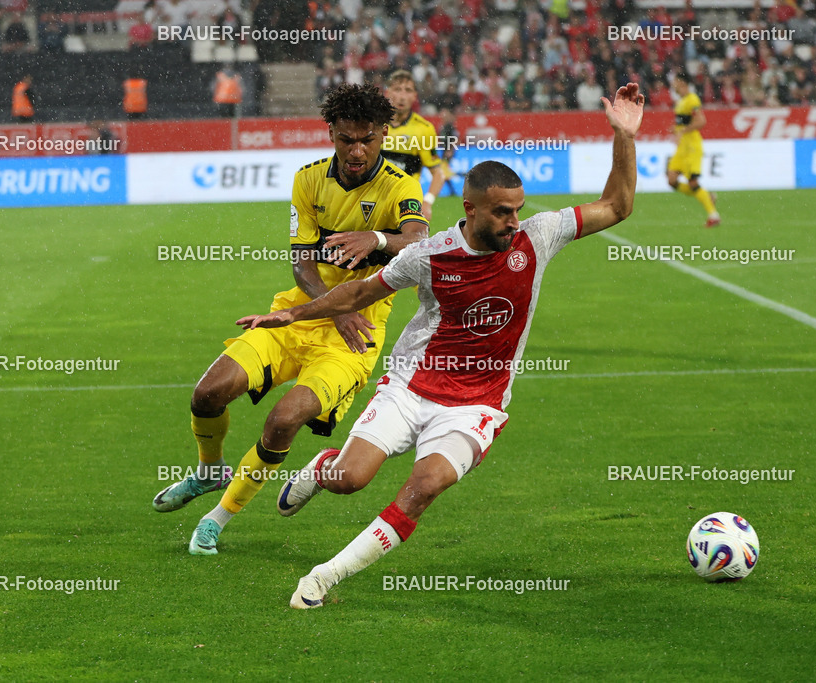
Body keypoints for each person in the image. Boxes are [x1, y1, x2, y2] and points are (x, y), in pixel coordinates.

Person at [238, 83, 646, 609]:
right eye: (502, 213)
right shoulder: (429, 256)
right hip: (411, 386)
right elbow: (359, 292)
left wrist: (624, 135)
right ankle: (322, 469)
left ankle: (323, 577)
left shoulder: (538, 237)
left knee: (425, 484)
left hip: (477, 403)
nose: (513, 223)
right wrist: (291, 314)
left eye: (518, 210)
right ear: (470, 208)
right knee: (350, 480)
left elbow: (617, 206)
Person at [152, 83, 431, 557]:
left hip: (354, 338)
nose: (357, 150)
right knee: (207, 394)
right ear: (331, 135)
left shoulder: (400, 186)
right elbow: (301, 263)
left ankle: (219, 517)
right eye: (346, 139)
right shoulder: (308, 180)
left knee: (284, 419)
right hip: (295, 314)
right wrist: (331, 305)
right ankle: (209, 470)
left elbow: (420, 243)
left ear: (384, 134)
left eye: (367, 138)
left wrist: (377, 240)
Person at [381, 70, 446, 221]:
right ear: (387, 92)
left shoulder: (424, 129)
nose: (402, 96)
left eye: (408, 90)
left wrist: (427, 202)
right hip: (373, 197)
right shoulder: (374, 123)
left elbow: (438, 173)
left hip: (405, 201)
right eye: (397, 89)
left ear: (415, 96)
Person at [666, 73, 719, 228]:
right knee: (672, 180)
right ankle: (707, 197)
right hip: (683, 147)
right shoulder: (680, 102)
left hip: (692, 147)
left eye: (675, 81)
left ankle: (713, 215)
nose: (673, 85)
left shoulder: (692, 100)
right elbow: (683, 123)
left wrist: (683, 131)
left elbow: (701, 121)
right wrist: (676, 130)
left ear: (682, 83)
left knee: (693, 182)